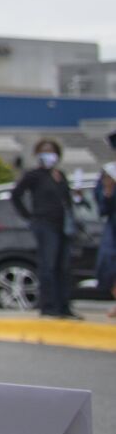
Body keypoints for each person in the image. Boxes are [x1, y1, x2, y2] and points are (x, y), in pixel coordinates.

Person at [13, 137, 79, 319]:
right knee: (48, 266)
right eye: (45, 151)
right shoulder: (34, 175)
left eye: (52, 152)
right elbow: (16, 195)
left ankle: (64, 306)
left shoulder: (60, 175)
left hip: (62, 226)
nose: (49, 155)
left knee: (63, 267)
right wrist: (30, 217)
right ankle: (48, 306)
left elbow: (66, 200)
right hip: (45, 224)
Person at [95, 131, 116, 319]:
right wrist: (108, 192)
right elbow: (102, 209)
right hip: (114, 226)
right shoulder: (109, 172)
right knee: (109, 263)